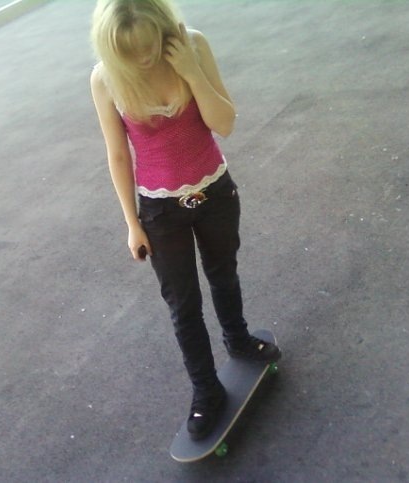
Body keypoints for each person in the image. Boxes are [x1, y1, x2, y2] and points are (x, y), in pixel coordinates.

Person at [90, 0, 280, 441]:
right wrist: (132, 223)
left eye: (150, 44)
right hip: (160, 210)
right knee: (183, 304)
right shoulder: (106, 78)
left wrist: (192, 73)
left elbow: (225, 123)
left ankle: (237, 339)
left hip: (215, 191)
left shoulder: (193, 45)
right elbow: (118, 155)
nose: (143, 57)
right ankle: (206, 390)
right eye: (130, 49)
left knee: (224, 273)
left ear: (163, 26)